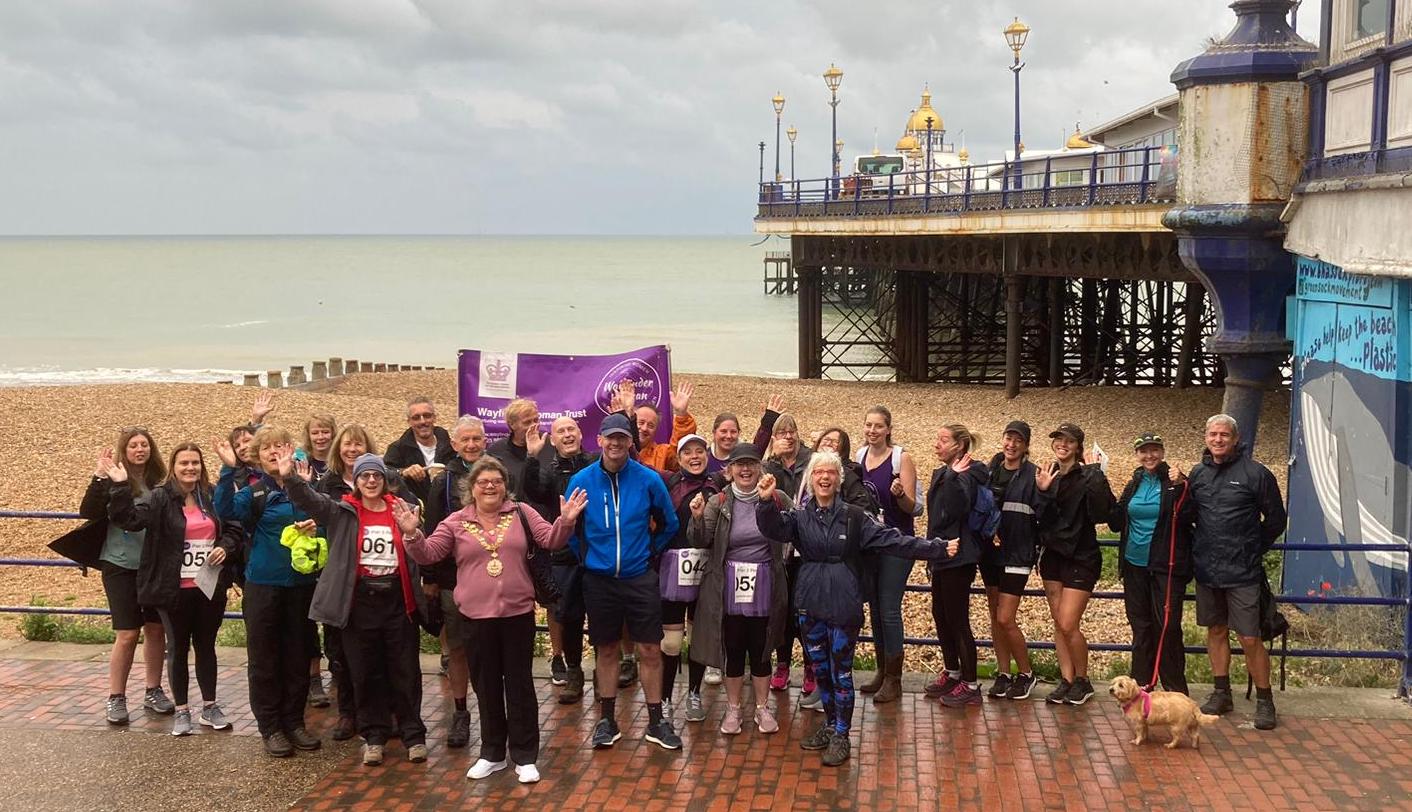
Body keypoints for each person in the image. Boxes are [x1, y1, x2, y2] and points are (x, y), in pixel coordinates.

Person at [754, 453, 959, 766]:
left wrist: (937, 548)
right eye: (819, 472)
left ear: (838, 479)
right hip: (810, 600)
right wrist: (767, 502)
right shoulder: (799, 517)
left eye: (830, 473)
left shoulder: (854, 517)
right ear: (811, 478)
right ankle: (831, 723)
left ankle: (842, 733)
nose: (824, 478)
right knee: (821, 670)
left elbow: (895, 541)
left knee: (841, 672)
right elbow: (772, 528)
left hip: (844, 601)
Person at [405, 456, 588, 783]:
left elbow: (551, 540)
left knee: (519, 685)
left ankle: (525, 755)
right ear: (471, 488)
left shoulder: (522, 513)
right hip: (475, 618)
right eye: (482, 482)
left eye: (496, 481)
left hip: (517, 615)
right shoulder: (456, 521)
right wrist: (413, 535)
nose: (490, 486)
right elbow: (430, 553)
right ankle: (492, 753)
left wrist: (567, 521)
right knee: (486, 686)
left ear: (506, 485)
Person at [285, 451, 432, 767]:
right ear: (357, 481)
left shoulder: (401, 510)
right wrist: (291, 478)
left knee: (405, 671)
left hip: (397, 599)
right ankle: (374, 736)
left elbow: (419, 548)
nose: (370, 481)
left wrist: (413, 531)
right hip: (359, 602)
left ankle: (413, 735)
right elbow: (310, 501)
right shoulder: (343, 511)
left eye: (376, 476)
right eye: (365, 476)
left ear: (384, 480)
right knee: (366, 671)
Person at [106, 443, 241, 736]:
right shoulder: (159, 497)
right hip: (173, 588)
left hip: (208, 586)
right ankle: (182, 710)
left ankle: (210, 706)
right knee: (178, 648)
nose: (190, 468)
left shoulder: (211, 496)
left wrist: (225, 547)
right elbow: (128, 519)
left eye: (195, 463)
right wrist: (119, 486)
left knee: (206, 647)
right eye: (184, 463)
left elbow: (233, 528)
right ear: (173, 467)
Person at [565, 412, 681, 751]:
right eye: (609, 437)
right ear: (599, 440)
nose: (616, 443)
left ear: (631, 442)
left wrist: (649, 553)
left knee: (649, 648)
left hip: (639, 576)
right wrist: (587, 557)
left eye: (622, 437)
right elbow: (570, 528)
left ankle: (657, 720)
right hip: (599, 580)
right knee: (607, 648)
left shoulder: (648, 479)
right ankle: (607, 718)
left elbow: (668, 523)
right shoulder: (581, 480)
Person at [214, 426, 321, 758]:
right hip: (263, 584)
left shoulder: (304, 488)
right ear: (258, 458)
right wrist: (229, 469)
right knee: (264, 659)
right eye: (267, 449)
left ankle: (294, 721)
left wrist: (315, 521)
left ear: (291, 450)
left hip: (301, 584)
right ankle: (271, 726)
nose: (275, 453)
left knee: (298, 655)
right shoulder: (255, 492)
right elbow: (226, 510)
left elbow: (328, 517)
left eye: (281, 446)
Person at [55, 429, 173, 725]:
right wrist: (98, 476)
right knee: (127, 633)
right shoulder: (112, 476)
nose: (139, 449)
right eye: (133, 445)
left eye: (144, 444)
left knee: (156, 630)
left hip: (153, 565)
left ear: (152, 449)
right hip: (119, 563)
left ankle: (153, 690)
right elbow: (88, 511)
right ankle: (116, 696)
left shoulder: (160, 480)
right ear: (125, 449)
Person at [1181, 414, 1286, 730]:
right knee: (1215, 631)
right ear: (1205, 437)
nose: (1218, 439)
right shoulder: (1197, 475)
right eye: (1212, 434)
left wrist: (1253, 549)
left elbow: (1277, 519)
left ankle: (1265, 701)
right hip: (1208, 569)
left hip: (1243, 571)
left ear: (1236, 439)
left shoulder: (1257, 474)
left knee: (1250, 637)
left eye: (1224, 435)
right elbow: (1187, 516)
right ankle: (1221, 691)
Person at [687, 443, 790, 735]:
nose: (745, 470)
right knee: (733, 647)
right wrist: (695, 517)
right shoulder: (719, 502)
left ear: (760, 468)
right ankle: (733, 709)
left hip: (766, 583)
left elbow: (792, 529)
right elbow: (700, 540)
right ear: (729, 470)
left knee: (761, 648)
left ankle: (761, 707)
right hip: (728, 585)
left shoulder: (778, 497)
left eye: (751, 464)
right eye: (739, 464)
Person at [1035, 422, 1115, 706]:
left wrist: (1095, 473)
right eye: (1058, 439)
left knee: (1069, 623)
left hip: (1081, 555)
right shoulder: (1050, 475)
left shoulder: (1088, 475)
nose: (1062, 445)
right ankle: (1067, 679)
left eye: (1068, 441)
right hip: (1053, 556)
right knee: (1059, 623)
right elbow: (1041, 519)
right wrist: (1043, 491)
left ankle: (1083, 679)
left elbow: (1104, 511)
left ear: (1078, 447)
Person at [1109, 432, 1192, 695]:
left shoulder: (1174, 480)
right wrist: (1097, 479)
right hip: (1134, 565)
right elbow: (1115, 520)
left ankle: (1175, 688)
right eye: (1144, 451)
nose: (1149, 456)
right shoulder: (1135, 482)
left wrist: (1184, 484)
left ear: (1163, 452)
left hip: (1165, 566)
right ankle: (1141, 685)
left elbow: (1190, 511)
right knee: (1140, 625)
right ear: (1137, 454)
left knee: (1167, 626)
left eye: (1154, 450)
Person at [423, 416, 487, 745]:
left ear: (485, 441)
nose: (472, 445)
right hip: (453, 579)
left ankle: (493, 714)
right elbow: (433, 531)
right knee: (459, 650)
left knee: (491, 652)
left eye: (477, 439)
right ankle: (461, 713)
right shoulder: (443, 482)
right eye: (467, 440)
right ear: (457, 444)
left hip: (492, 580)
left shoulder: (496, 476)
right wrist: (430, 578)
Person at [523, 416, 595, 703]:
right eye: (560, 431)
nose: (567, 435)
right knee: (570, 617)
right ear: (552, 440)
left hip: (596, 550)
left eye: (571, 429)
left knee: (601, 615)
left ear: (580, 434)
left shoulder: (594, 463)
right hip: (565, 555)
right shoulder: (550, 471)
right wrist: (531, 457)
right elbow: (533, 490)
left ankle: (603, 675)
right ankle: (574, 672)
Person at [856, 405, 921, 704]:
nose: (872, 431)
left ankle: (895, 678)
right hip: (870, 543)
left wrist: (899, 495)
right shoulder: (859, 457)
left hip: (897, 542)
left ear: (888, 429)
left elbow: (912, 508)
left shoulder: (901, 458)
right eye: (868, 425)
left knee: (890, 608)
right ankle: (882, 671)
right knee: (876, 608)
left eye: (878, 426)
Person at [982, 421, 1048, 701]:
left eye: (1018, 441)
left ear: (1025, 446)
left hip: (1018, 553)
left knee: (1006, 617)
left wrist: (1044, 491)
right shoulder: (990, 470)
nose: (1011, 445)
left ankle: (1026, 672)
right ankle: (1003, 672)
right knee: (995, 616)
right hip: (991, 552)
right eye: (1008, 438)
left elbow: (1044, 513)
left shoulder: (1033, 474)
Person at [923, 424, 987, 707]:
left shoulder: (970, 473)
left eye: (943, 440)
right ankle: (952, 671)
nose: (937, 443)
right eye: (937, 438)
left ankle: (970, 684)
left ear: (959, 446)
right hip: (940, 552)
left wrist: (953, 477)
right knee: (940, 613)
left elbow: (958, 509)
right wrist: (929, 552)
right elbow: (935, 517)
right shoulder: (943, 472)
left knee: (958, 618)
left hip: (960, 555)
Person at [660, 433, 720, 722]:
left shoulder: (717, 484)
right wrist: (628, 416)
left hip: (706, 572)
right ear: (679, 458)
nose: (694, 457)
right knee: (671, 642)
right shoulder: (669, 482)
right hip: (673, 569)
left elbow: (749, 459)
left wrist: (768, 422)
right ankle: (665, 697)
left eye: (700, 451)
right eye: (688, 453)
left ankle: (694, 693)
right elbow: (633, 457)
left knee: (698, 639)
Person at [762, 414, 811, 693]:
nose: (788, 437)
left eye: (792, 431)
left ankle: (809, 666)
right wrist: (772, 459)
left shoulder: (810, 459)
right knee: (780, 607)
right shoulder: (771, 464)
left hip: (804, 546)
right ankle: (782, 664)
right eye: (782, 432)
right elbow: (760, 487)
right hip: (778, 547)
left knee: (803, 608)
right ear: (775, 438)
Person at [384, 396, 455, 505]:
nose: (422, 421)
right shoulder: (398, 449)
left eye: (427, 416)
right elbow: (384, 474)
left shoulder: (449, 444)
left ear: (435, 418)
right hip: (416, 510)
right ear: (409, 421)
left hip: (447, 508)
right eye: (416, 418)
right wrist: (404, 472)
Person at [633, 381, 698, 475]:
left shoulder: (662, 454)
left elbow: (680, 450)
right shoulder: (619, 449)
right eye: (641, 422)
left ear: (656, 431)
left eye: (651, 426)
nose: (644, 428)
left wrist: (681, 415)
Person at [487, 398, 540, 500]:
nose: (534, 426)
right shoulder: (495, 452)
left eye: (536, 420)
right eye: (527, 422)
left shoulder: (549, 446)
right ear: (512, 424)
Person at [301, 414, 337, 480]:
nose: (320, 437)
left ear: (333, 434)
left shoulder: (341, 463)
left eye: (325, 432)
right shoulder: (300, 461)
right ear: (308, 436)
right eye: (315, 433)